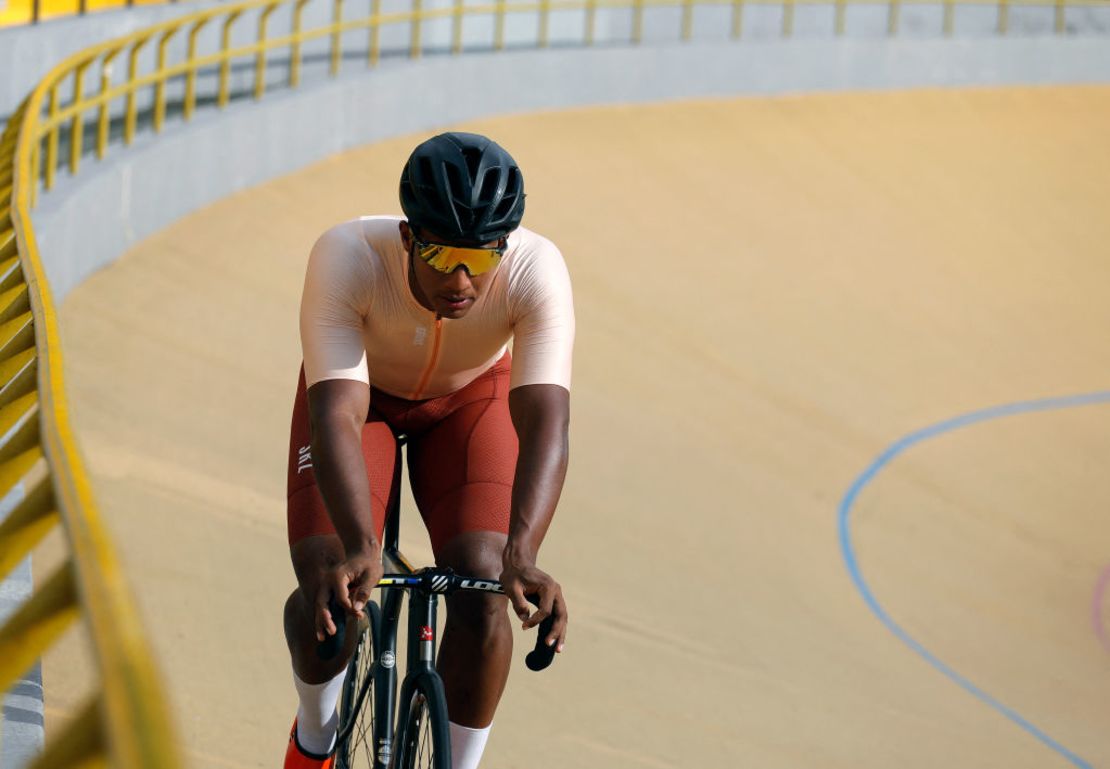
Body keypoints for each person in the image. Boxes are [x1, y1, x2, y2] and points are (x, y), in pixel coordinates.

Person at [282, 131, 574, 769]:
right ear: (410, 237)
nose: (463, 281)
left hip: (469, 404)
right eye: (443, 255)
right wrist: (362, 544)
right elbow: (337, 414)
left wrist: (524, 554)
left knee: (486, 587)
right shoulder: (347, 255)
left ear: (505, 246)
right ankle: (313, 738)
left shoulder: (535, 268)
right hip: (360, 401)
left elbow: (545, 420)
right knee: (333, 593)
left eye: (481, 257)